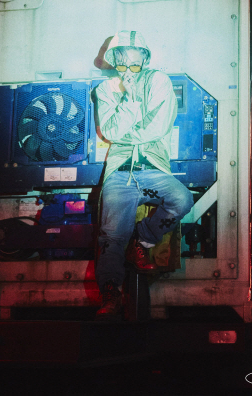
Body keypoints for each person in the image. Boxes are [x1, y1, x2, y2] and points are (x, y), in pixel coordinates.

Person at [94, 30, 194, 320]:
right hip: (120, 173)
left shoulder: (158, 81)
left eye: (135, 64)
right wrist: (131, 100)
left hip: (151, 169)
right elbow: (109, 131)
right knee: (111, 237)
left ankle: (143, 238)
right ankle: (110, 293)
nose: (128, 70)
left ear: (145, 60)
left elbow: (158, 126)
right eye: (122, 63)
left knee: (181, 199)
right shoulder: (105, 90)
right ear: (114, 60)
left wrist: (124, 133)